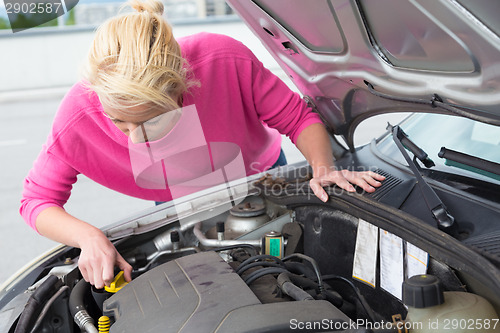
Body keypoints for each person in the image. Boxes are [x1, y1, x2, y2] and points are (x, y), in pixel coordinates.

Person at [20, 0, 384, 289]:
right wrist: (88, 237)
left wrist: (323, 169)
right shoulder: (77, 116)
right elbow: (36, 200)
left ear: (181, 87)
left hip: (264, 177)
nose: (133, 138)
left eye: (148, 121)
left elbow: (298, 118)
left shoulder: (222, 59)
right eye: (118, 121)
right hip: (178, 199)